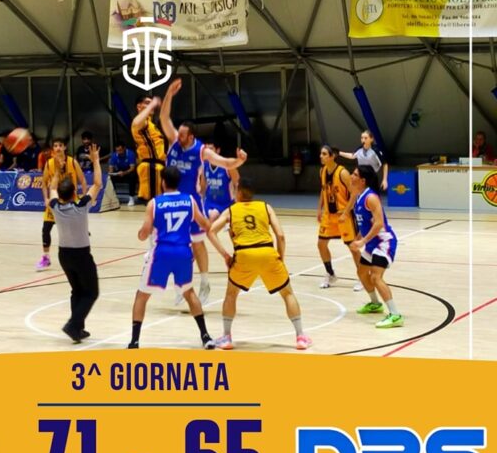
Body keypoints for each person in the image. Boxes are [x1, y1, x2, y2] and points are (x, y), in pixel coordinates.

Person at [160, 79, 247, 304]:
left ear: (191, 136)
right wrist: (169, 94)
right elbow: (164, 118)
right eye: (178, 133)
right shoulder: (173, 142)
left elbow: (225, 163)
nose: (178, 136)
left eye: (182, 135)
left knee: (198, 243)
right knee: (177, 245)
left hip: (191, 204)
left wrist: (239, 160)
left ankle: (205, 282)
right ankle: (181, 284)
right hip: (170, 202)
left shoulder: (201, 151)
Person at [208, 177, 312, 351]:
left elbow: (211, 231)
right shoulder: (265, 207)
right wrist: (280, 258)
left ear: (238, 192)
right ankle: (300, 337)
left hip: (244, 254)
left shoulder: (231, 210)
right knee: (287, 293)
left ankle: (226, 338)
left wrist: (225, 255)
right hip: (267, 252)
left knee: (231, 294)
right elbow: (281, 236)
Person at [128, 166, 215, 350]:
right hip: (183, 252)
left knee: (141, 296)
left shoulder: (154, 203)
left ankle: (134, 341)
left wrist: (141, 233)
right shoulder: (190, 200)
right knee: (189, 293)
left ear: (163, 182)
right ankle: (205, 336)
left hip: (161, 253)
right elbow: (205, 225)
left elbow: (144, 233)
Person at [49, 144, 103, 343]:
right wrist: (95, 161)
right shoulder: (81, 206)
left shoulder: (55, 207)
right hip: (81, 255)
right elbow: (97, 184)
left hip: (64, 255)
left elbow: (52, 188)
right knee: (92, 292)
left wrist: (57, 170)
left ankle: (78, 329)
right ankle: (73, 324)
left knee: (77, 291)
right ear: (74, 193)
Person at [350, 165, 403, 329]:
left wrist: (362, 242)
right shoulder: (359, 197)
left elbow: (379, 223)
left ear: (362, 180)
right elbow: (365, 224)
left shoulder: (370, 197)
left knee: (375, 277)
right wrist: (357, 239)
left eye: (354, 174)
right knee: (361, 272)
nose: (351, 176)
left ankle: (395, 315)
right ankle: (375, 303)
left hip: (383, 242)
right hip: (372, 242)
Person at [37, 139, 87, 271]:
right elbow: (44, 183)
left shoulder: (72, 162)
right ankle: (46, 257)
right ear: (53, 149)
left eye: (60, 145)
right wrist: (46, 198)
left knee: (73, 232)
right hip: (55, 201)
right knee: (46, 229)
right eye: (55, 146)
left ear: (65, 147)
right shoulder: (49, 163)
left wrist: (84, 196)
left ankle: (79, 256)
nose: (58, 148)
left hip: (70, 201)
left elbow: (82, 180)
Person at [316, 145, 362, 290]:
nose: (321, 156)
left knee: (353, 247)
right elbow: (323, 190)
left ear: (332, 156)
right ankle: (330, 274)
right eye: (321, 154)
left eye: (324, 154)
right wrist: (319, 208)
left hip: (343, 214)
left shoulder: (343, 173)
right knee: (321, 244)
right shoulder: (322, 171)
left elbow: (354, 193)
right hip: (328, 215)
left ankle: (362, 276)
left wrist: (346, 213)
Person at [131, 95, 166, 202]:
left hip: (159, 166)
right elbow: (136, 123)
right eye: (147, 103)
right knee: (154, 202)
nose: (151, 105)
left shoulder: (151, 124)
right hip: (150, 166)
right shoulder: (141, 122)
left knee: (160, 203)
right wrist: (153, 104)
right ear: (139, 106)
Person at [201, 141, 239, 222]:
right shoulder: (204, 165)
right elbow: (203, 185)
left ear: (218, 150)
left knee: (213, 216)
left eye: (211, 149)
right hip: (209, 202)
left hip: (224, 203)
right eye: (206, 149)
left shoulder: (227, 165)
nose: (208, 152)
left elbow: (237, 182)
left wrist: (237, 201)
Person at [108, 142, 138, 207]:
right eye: (117, 150)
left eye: (120, 150)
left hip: (129, 171)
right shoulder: (114, 155)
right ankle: (113, 198)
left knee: (132, 176)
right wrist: (111, 174)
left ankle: (131, 198)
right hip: (119, 172)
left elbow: (132, 168)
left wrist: (124, 173)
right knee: (110, 178)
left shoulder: (130, 154)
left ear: (124, 148)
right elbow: (111, 169)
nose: (118, 152)